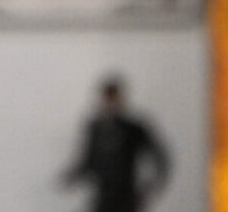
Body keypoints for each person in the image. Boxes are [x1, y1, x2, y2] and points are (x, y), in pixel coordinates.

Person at [62, 76, 171, 212]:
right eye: (108, 99)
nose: (110, 103)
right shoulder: (96, 128)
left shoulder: (133, 129)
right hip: (103, 195)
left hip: (126, 196)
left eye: (113, 98)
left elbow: (159, 157)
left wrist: (152, 185)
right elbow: (89, 160)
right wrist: (71, 177)